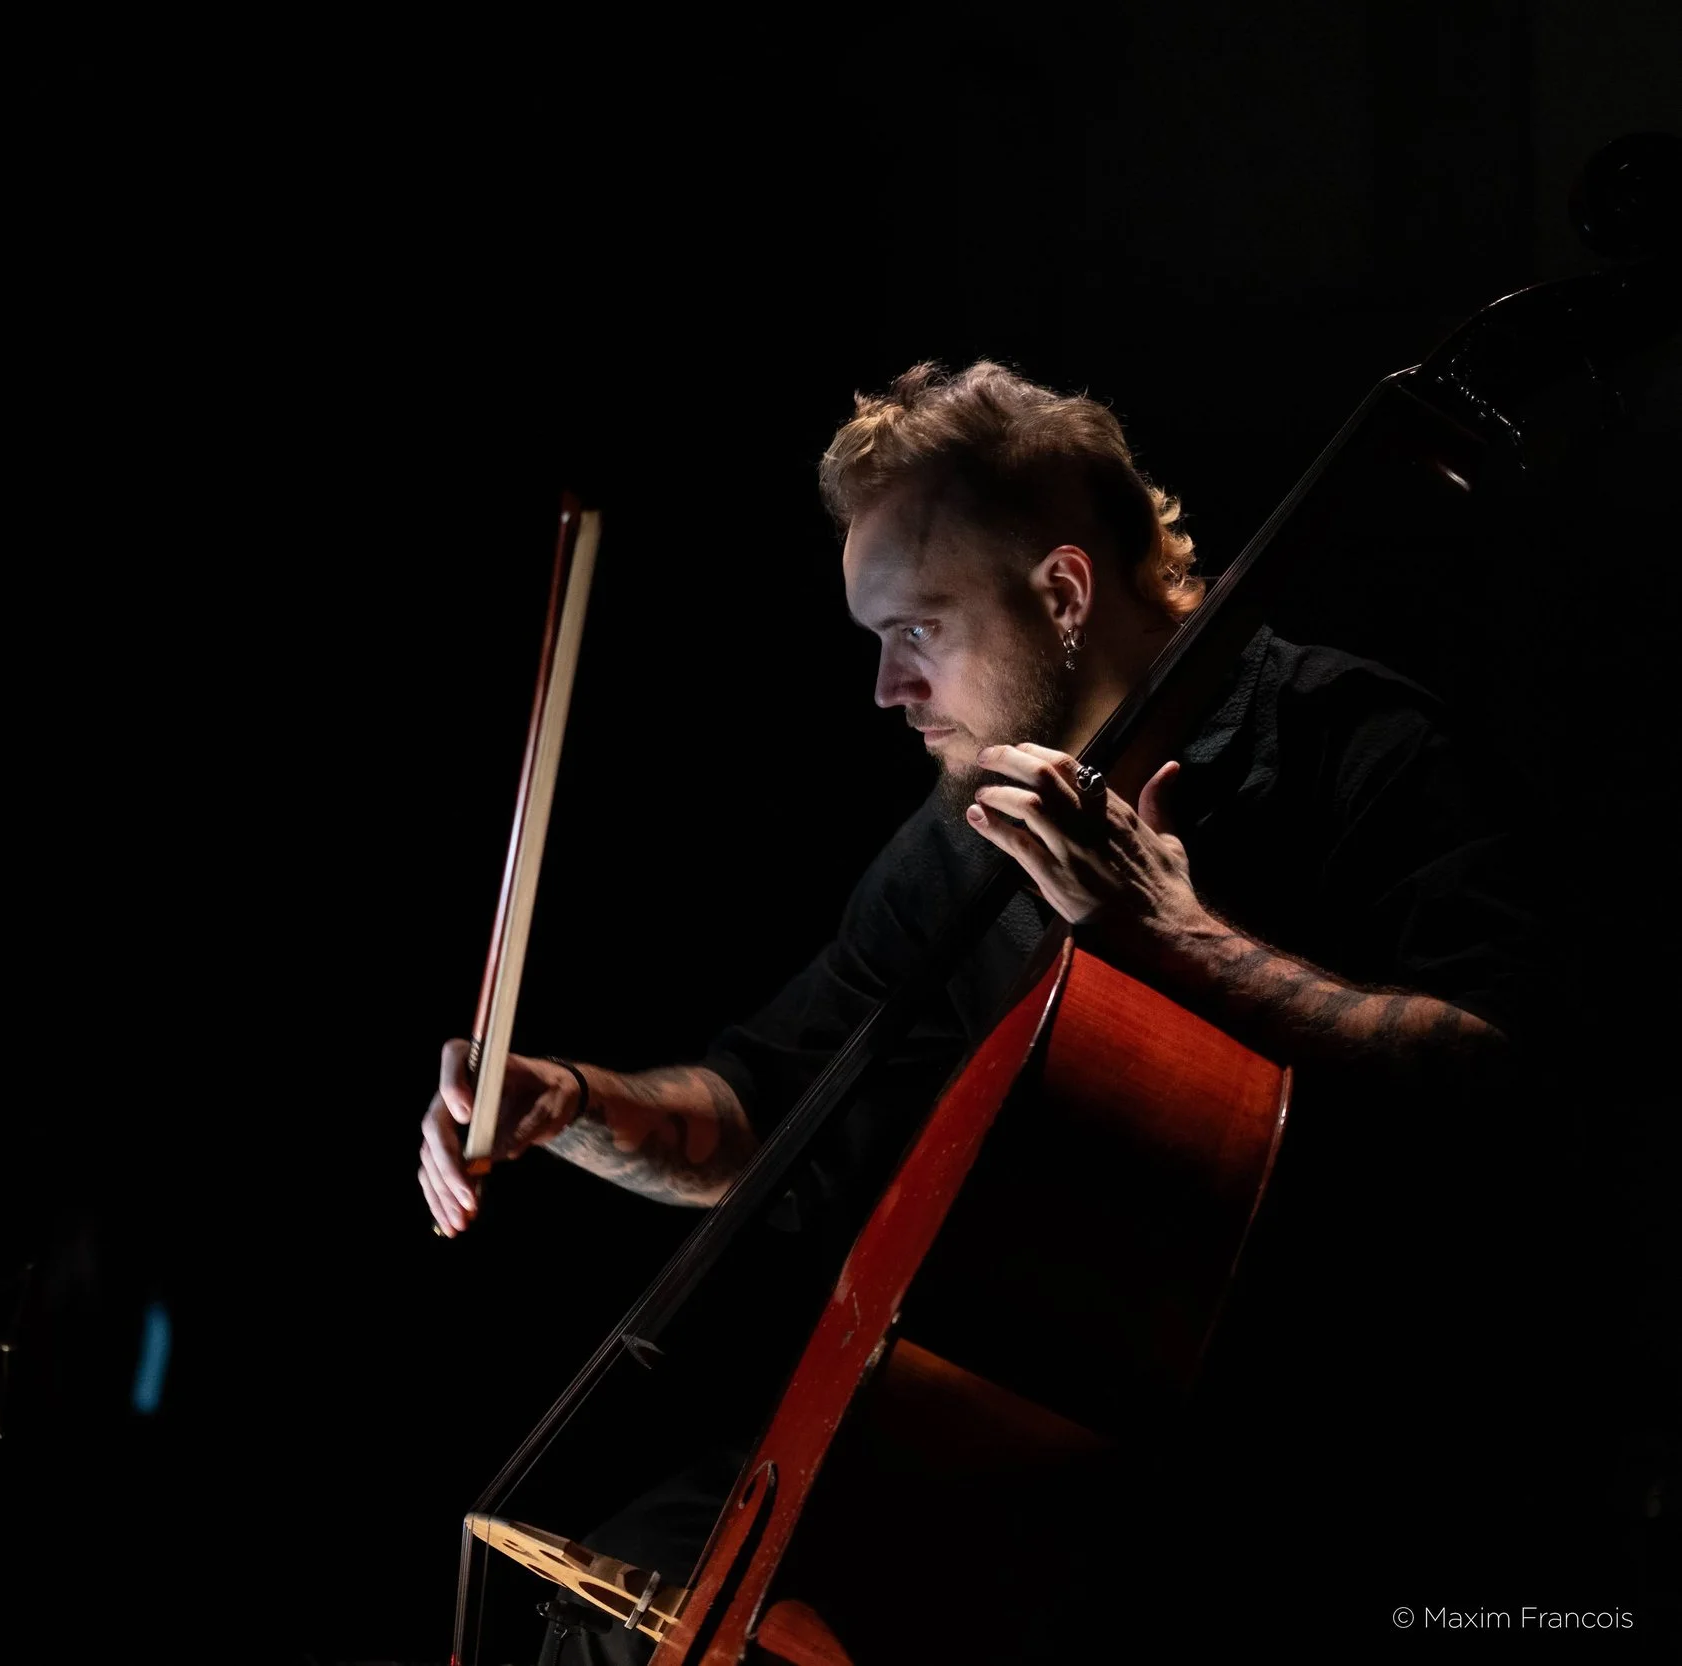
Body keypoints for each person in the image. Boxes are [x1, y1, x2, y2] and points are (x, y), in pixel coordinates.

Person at [419, 363, 1572, 1660]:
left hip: (1324, 1483)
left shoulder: (1363, 746)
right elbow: (768, 1110)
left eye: (917, 629)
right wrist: (569, 1101)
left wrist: (1178, 940)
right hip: (1020, 1461)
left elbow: (1511, 1077)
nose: (886, 689)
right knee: (605, 1612)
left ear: (1064, 593)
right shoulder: (967, 833)